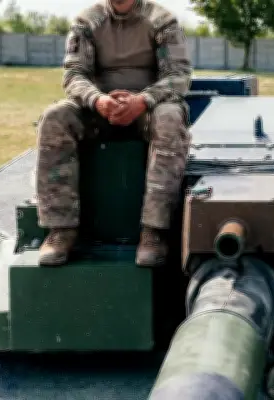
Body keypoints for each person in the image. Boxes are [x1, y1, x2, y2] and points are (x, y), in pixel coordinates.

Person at [34, 0, 192, 267]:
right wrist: (98, 100)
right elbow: (74, 75)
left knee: (170, 118)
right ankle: (60, 229)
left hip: (147, 110)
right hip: (99, 110)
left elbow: (178, 76)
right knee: (55, 117)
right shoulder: (87, 22)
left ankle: (154, 231)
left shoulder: (161, 21)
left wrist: (142, 101)